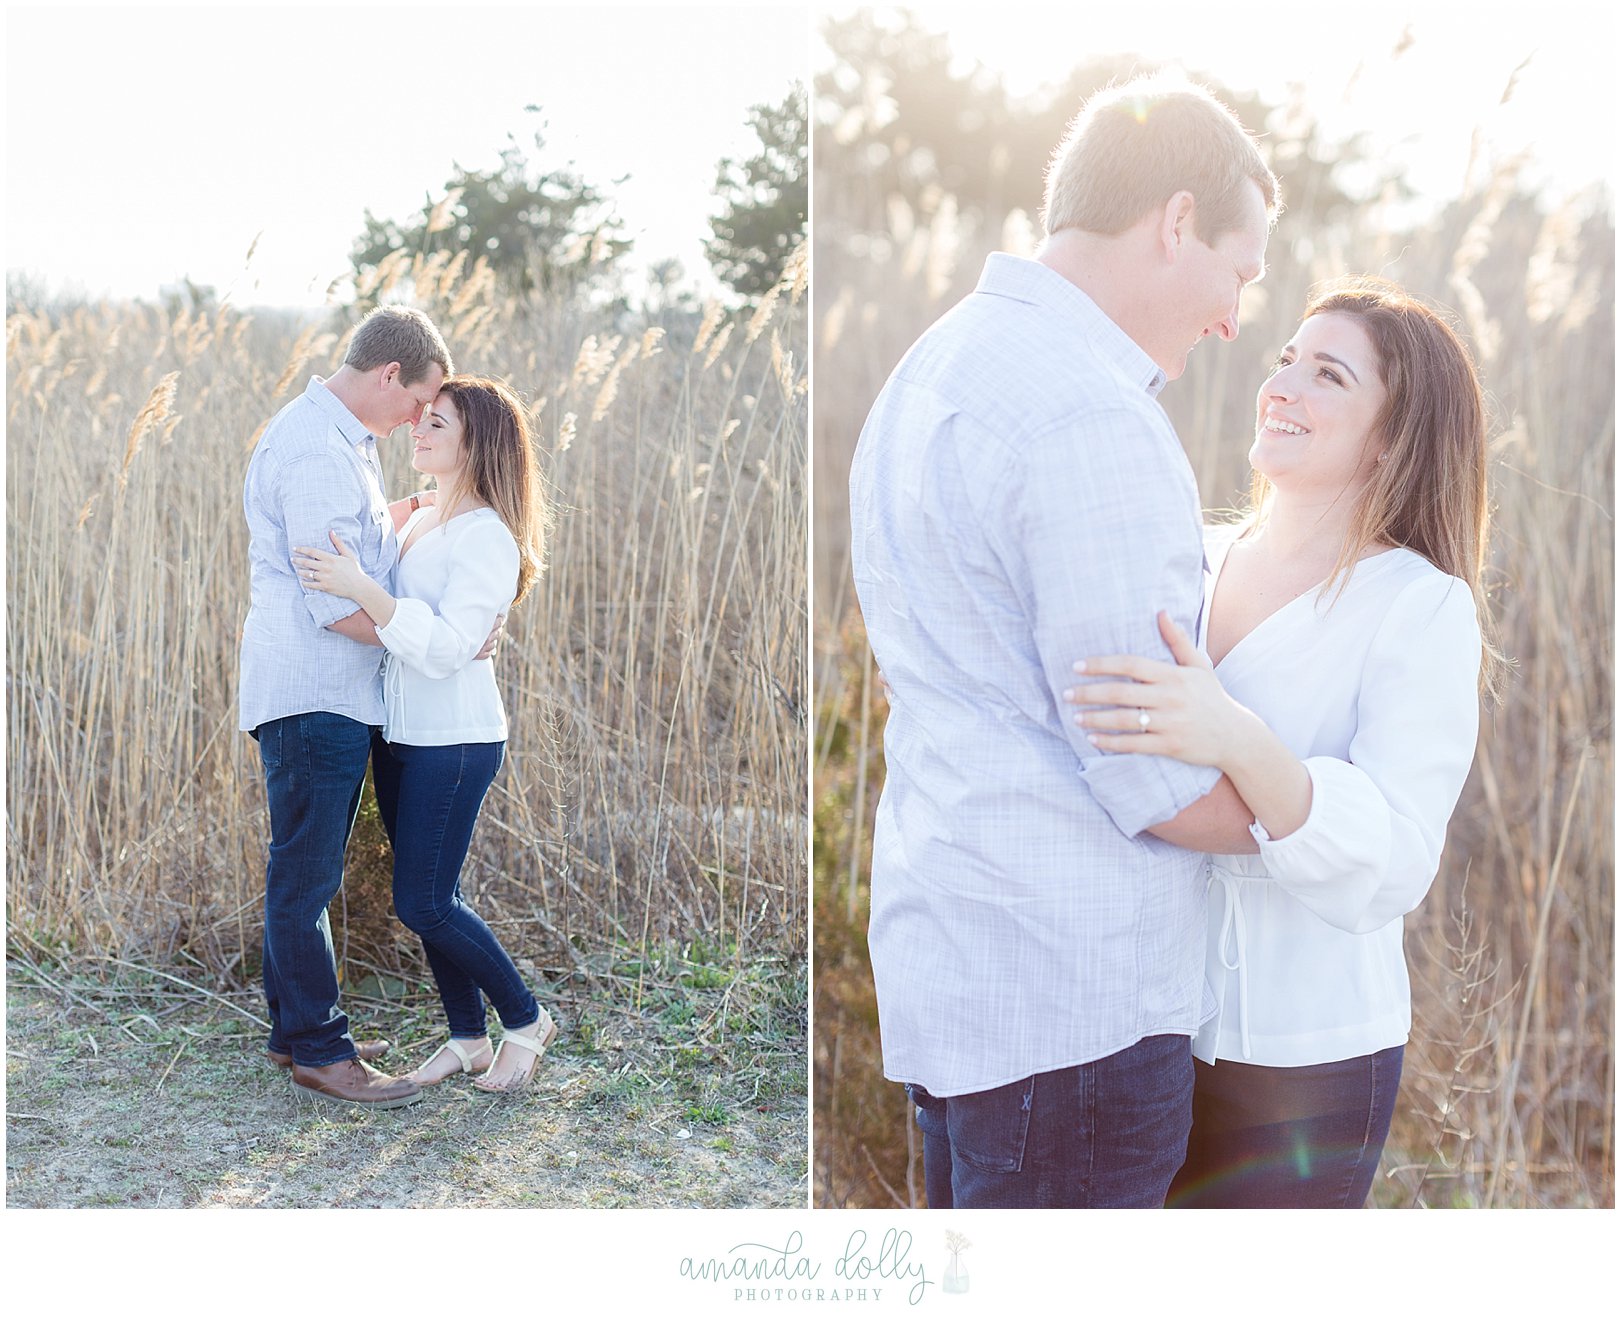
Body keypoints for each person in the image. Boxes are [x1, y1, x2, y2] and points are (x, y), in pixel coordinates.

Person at [847, 73, 1280, 1208]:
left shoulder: (932, 364)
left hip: (959, 954)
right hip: (1073, 999)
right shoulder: (1087, 414)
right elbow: (1150, 774)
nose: (1237, 318)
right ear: (1174, 221)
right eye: (1239, 272)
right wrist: (1324, 820)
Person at [1066, 276, 1496, 1207]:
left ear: (1392, 437)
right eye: (1284, 360)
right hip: (1140, 1034)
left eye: (1328, 374)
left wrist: (1236, 736)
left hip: (1307, 1062)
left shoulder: (1419, 605)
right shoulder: (1188, 555)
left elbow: (1393, 858)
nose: (1281, 386)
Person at [294, 375, 557, 1094]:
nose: (419, 429)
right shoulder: (426, 520)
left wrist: (361, 588)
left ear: (478, 444)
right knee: (433, 894)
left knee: (424, 901)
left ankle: (526, 1020)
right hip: (402, 733)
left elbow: (445, 648)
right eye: (422, 419)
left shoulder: (487, 537)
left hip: (456, 739)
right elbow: (412, 589)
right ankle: (468, 1038)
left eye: (438, 424)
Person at [240, 305, 454, 1109]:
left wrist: (400, 518)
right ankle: (322, 1053)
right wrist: (433, 645)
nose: (415, 422)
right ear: (389, 374)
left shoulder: (339, 445)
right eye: (417, 402)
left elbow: (351, 557)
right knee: (305, 872)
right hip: (313, 689)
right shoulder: (317, 451)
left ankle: (296, 1030)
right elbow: (334, 605)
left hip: (325, 691)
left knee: (301, 866)